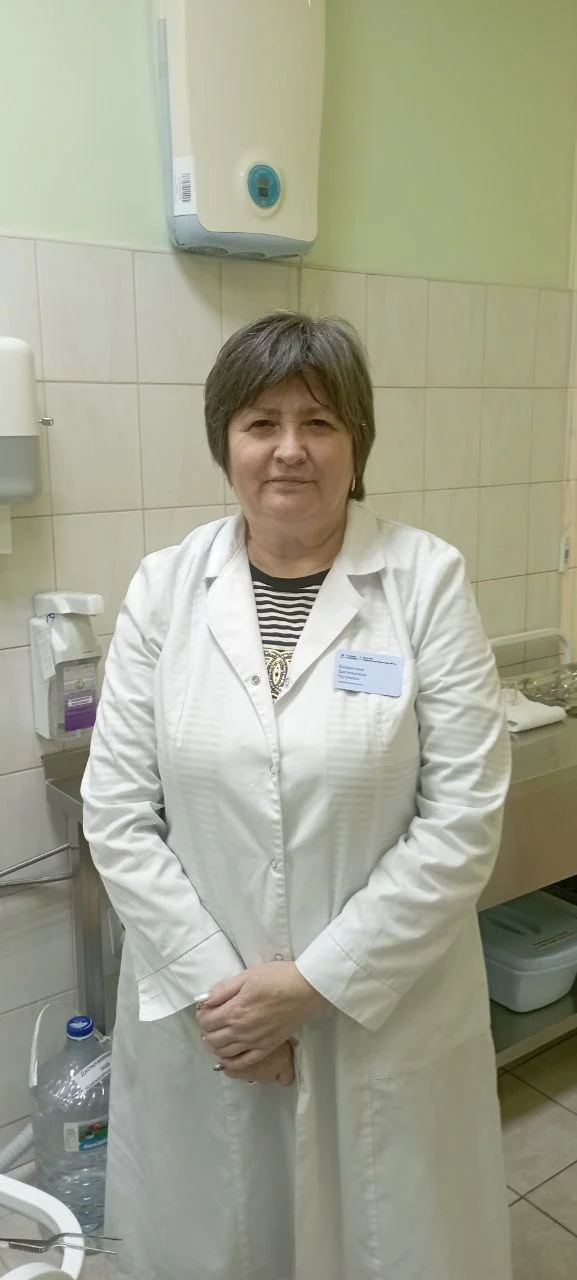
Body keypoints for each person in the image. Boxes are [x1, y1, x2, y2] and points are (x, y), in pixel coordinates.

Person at [81, 311, 513, 1280]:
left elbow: (461, 820)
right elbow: (116, 810)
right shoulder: (164, 589)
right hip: (213, 1022)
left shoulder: (425, 582)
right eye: (260, 422)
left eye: (318, 421)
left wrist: (312, 986)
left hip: (378, 1012)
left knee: (389, 1242)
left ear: (356, 443)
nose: (289, 448)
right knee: (221, 1241)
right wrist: (229, 999)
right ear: (223, 442)